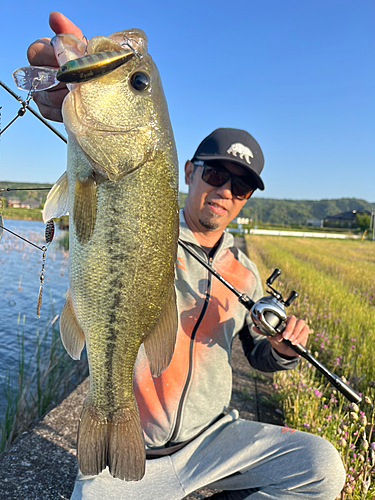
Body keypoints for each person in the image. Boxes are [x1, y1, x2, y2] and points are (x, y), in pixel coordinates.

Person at [27, 13, 346, 500]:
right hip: (144, 445)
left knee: (322, 466)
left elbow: (255, 353)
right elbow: (95, 202)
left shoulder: (247, 272)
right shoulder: (156, 228)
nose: (225, 191)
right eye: (215, 174)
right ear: (188, 171)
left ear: (246, 200)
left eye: (240, 186)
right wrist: (65, 91)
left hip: (215, 442)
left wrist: (279, 350)